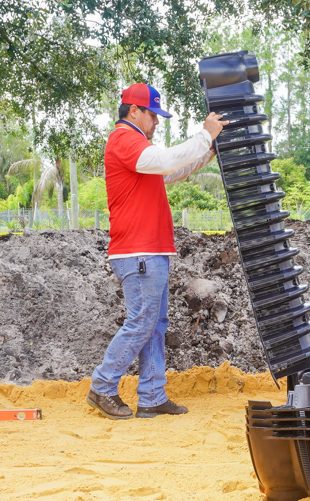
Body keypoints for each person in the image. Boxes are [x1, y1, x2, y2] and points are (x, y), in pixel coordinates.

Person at [87, 83, 228, 420]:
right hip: (138, 251)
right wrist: (203, 135)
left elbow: (172, 171)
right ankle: (103, 386)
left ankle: (151, 396)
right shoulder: (124, 139)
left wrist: (207, 151)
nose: (158, 122)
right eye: (154, 115)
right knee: (142, 322)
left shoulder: (139, 148)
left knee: (154, 323)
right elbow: (166, 161)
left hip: (150, 251)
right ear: (134, 111)